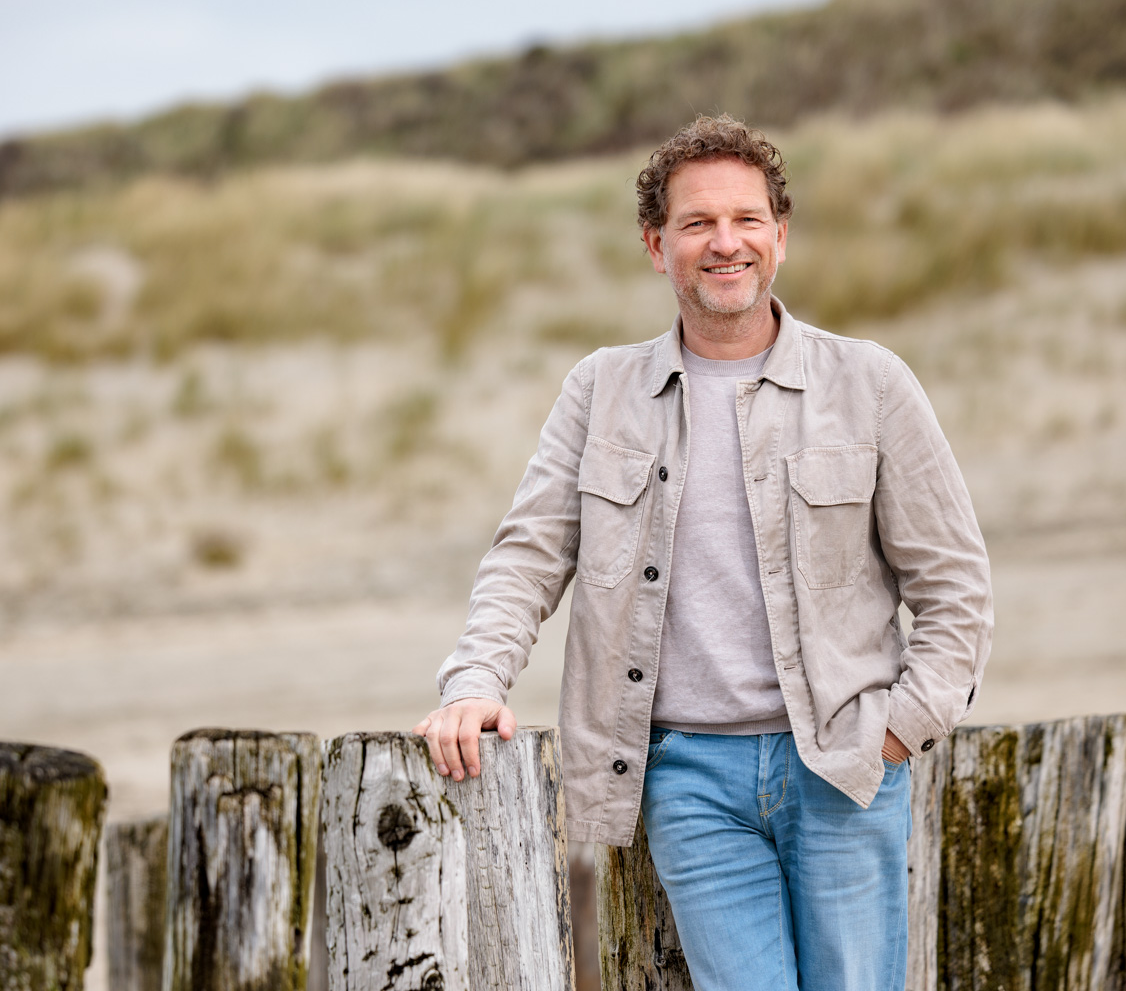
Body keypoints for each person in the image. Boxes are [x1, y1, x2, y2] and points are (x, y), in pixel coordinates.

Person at [412, 114, 992, 991]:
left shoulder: (869, 383)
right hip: (687, 780)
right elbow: (526, 556)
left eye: (747, 219)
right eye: (697, 224)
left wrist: (898, 732)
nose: (726, 243)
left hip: (843, 766)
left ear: (780, 235)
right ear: (657, 246)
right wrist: (473, 682)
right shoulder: (600, 390)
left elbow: (955, 587)